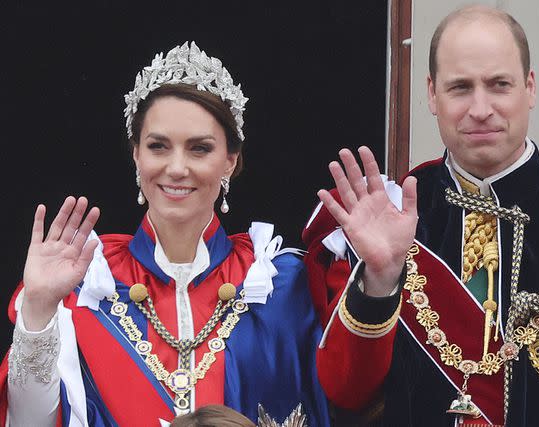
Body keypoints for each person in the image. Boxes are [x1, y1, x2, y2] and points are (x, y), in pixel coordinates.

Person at [304, 5, 539, 426]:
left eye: (499, 84)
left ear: (530, 88)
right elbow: (346, 394)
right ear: (431, 94)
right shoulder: (385, 216)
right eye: (460, 87)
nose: (480, 108)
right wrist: (380, 279)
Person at [0, 42, 329, 426]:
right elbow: (29, 421)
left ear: (230, 160)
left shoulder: (281, 286)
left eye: (199, 149)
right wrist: (39, 306)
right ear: (136, 154)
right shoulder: (85, 284)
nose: (176, 168)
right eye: (158, 146)